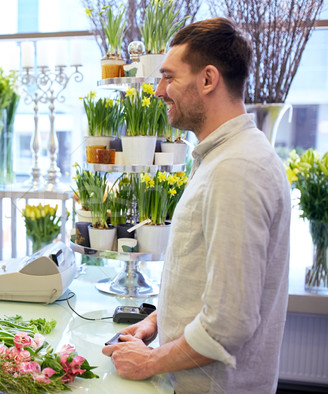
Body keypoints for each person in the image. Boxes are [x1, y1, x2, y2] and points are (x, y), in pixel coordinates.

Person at [102, 17, 291, 393]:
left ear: (208, 79)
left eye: (169, 77)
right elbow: (214, 280)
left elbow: (229, 322)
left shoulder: (237, 169)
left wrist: (150, 361)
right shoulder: (222, 157)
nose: (158, 91)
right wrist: (157, 320)